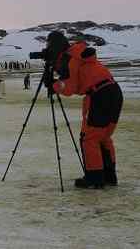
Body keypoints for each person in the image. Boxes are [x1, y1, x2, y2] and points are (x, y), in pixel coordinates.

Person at [48, 31, 123, 189]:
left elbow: (69, 88)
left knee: (89, 138)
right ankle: (109, 175)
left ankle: (95, 178)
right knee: (103, 136)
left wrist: (54, 85)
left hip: (99, 96)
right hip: (114, 91)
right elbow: (77, 82)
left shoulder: (70, 59)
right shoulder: (77, 55)